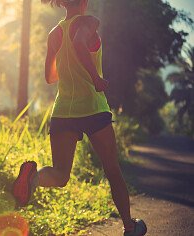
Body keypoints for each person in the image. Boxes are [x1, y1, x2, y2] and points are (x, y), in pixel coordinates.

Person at [12, 0, 147, 235]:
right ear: (84, 2)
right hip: (93, 108)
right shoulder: (89, 21)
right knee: (112, 170)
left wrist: (66, 61)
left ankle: (33, 178)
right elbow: (78, 43)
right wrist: (95, 78)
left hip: (63, 110)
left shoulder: (54, 33)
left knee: (60, 174)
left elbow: (49, 76)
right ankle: (129, 227)